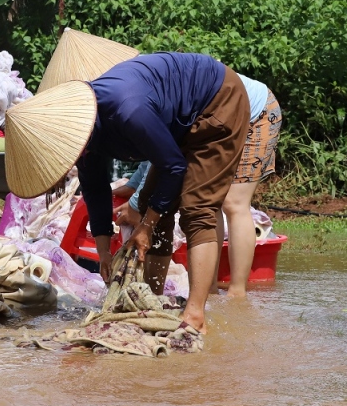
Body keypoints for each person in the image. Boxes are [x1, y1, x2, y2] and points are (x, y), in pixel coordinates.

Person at [5, 52, 250, 333]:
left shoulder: (127, 111)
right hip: (179, 119)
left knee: (197, 209)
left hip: (217, 100)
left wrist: (146, 228)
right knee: (151, 205)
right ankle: (153, 299)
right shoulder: (84, 136)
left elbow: (173, 166)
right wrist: (104, 253)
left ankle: (195, 316)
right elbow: (95, 191)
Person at [113, 75, 281, 295]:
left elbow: (163, 156)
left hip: (256, 111)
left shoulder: (143, 94)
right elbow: (153, 153)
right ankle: (208, 290)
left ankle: (236, 293)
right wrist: (134, 186)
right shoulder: (136, 96)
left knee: (234, 202)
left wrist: (136, 204)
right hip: (219, 119)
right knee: (209, 202)